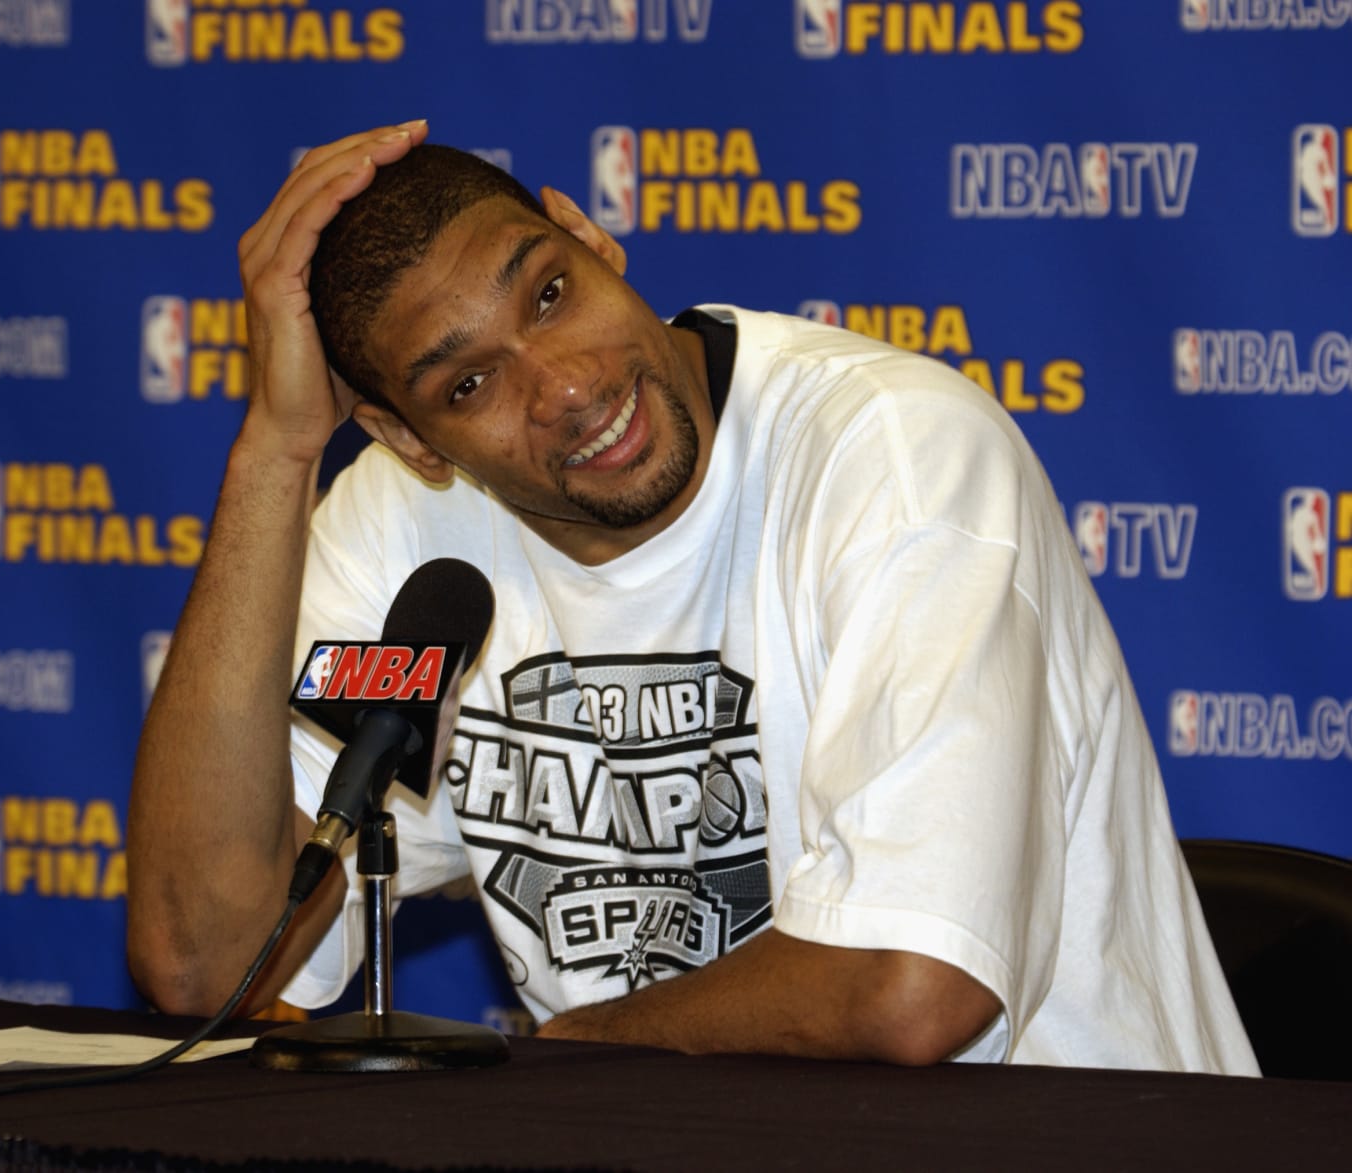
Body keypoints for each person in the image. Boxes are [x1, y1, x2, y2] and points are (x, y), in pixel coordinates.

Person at [126, 122, 1258, 1073]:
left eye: (552, 293)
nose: (567, 388)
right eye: (469, 385)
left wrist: (566, 1053)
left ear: (591, 235)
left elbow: (912, 987)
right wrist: (277, 450)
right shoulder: (402, 525)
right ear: (407, 438)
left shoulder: (894, 456)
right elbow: (203, 961)